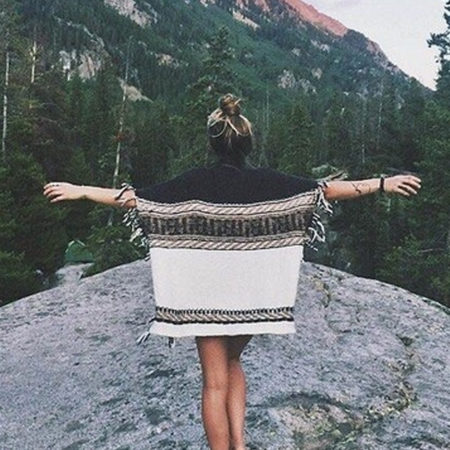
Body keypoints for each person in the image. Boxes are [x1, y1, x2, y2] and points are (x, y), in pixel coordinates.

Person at [43, 93, 422, 450]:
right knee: (233, 361)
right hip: (253, 297)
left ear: (213, 143)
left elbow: (133, 200)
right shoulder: (270, 182)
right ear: (247, 144)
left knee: (214, 383)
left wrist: (81, 190)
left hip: (204, 298)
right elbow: (327, 190)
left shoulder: (192, 181)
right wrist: (382, 184)